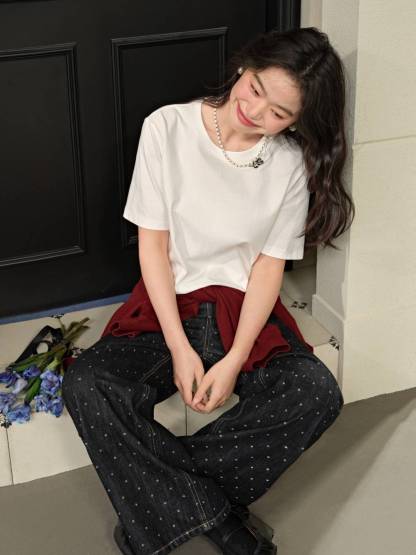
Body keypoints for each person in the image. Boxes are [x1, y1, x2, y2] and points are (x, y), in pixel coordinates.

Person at [62, 26, 354, 555]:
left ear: (296, 121)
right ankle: (219, 520)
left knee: (316, 392)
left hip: (243, 310)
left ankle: (158, 506)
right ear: (246, 66)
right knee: (88, 384)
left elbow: (267, 267)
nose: (256, 112)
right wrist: (179, 347)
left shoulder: (289, 162)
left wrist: (235, 357)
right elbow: (153, 247)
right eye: (256, 89)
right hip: (168, 303)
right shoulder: (167, 127)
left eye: (279, 113)